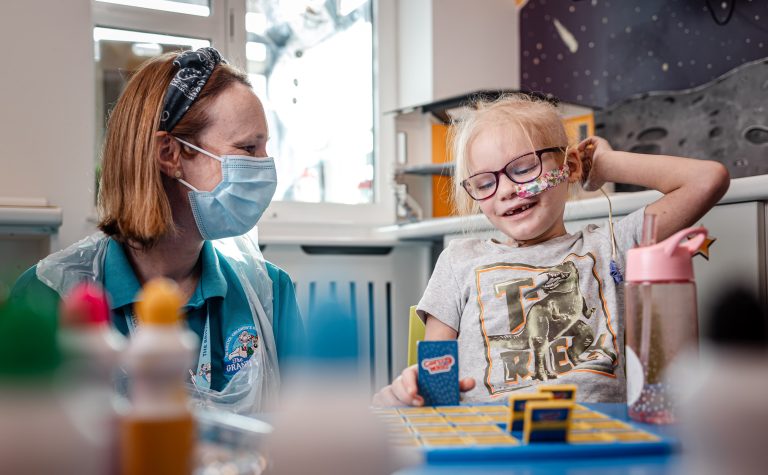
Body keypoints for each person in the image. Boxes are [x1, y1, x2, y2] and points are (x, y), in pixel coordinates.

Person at [373, 93, 729, 405]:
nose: (506, 190)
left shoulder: (610, 246)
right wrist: (411, 389)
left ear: (569, 167)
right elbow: (435, 379)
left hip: (595, 435)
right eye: (484, 183)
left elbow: (707, 180)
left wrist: (603, 165)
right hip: (489, 439)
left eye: (524, 169)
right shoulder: (458, 261)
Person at [10, 47, 303, 414]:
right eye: (248, 148)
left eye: (264, 149)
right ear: (170, 154)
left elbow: (314, 432)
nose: (265, 167)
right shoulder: (48, 297)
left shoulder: (269, 294)